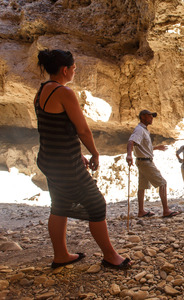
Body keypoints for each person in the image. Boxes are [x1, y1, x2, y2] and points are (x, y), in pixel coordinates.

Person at [35, 49, 131, 269]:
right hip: (66, 164)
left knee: (59, 205)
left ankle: (61, 256)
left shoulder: (42, 90)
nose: (75, 71)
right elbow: (83, 130)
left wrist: (78, 152)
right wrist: (94, 152)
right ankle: (110, 256)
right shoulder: (64, 92)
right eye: (74, 68)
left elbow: (52, 128)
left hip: (50, 160)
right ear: (65, 69)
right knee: (96, 204)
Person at [126, 110, 180, 218]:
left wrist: (156, 148)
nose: (152, 118)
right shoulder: (139, 130)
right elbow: (131, 142)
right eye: (149, 116)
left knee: (142, 186)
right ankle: (166, 210)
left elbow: (143, 147)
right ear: (142, 117)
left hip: (142, 161)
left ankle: (141, 211)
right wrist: (129, 155)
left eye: (152, 116)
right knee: (162, 183)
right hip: (145, 162)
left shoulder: (144, 130)